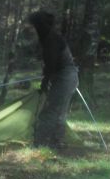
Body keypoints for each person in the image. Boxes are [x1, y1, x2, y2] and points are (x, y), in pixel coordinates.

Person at [27, 10, 79, 149]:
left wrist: (45, 82)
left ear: (40, 25)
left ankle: (41, 144)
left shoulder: (52, 39)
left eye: (33, 25)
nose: (32, 28)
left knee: (50, 111)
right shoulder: (48, 38)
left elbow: (51, 64)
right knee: (59, 112)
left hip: (65, 77)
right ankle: (56, 142)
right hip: (65, 76)